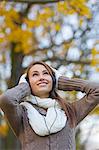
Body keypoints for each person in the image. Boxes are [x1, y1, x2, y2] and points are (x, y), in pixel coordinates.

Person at [0, 61, 99, 150]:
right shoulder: (21, 114)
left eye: (46, 73)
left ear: (53, 80)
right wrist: (24, 87)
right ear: (28, 82)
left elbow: (96, 90)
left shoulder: (70, 110)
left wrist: (62, 82)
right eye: (35, 75)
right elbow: (6, 99)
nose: (41, 77)